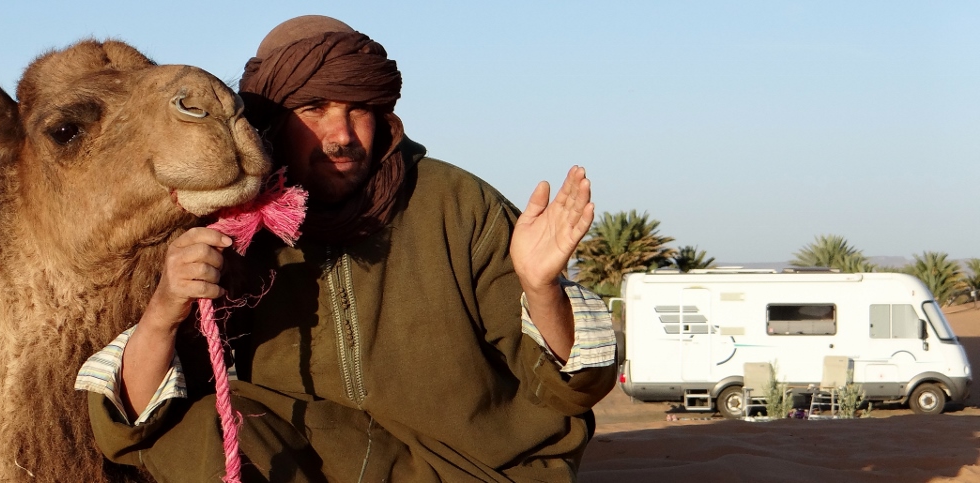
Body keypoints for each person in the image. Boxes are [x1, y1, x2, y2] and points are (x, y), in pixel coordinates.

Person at [77, 15, 617, 482]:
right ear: (271, 125)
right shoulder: (239, 229)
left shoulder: (458, 203)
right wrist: (165, 307)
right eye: (313, 109)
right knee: (203, 429)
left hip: (480, 468)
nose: (341, 135)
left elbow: (571, 391)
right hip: (337, 465)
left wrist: (541, 288)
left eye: (357, 108)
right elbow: (135, 423)